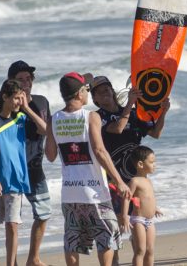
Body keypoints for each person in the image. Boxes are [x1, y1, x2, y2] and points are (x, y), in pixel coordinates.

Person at [45, 72, 131, 266]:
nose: (87, 92)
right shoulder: (91, 116)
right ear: (78, 94)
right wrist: (119, 181)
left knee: (72, 241)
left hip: (69, 192)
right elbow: (100, 151)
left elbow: (50, 155)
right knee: (106, 238)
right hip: (94, 192)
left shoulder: (54, 119)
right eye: (86, 89)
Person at [91, 75, 169, 266]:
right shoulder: (97, 117)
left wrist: (163, 112)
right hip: (114, 179)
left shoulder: (134, 113)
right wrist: (129, 106)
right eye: (99, 91)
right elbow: (117, 129)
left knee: (138, 224)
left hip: (137, 179)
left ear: (113, 91)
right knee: (117, 223)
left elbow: (156, 133)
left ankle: (138, 260)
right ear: (95, 99)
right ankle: (115, 260)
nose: (105, 91)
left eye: (107, 88)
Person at [0, 79, 47, 266]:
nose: (18, 102)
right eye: (16, 98)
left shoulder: (21, 118)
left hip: (16, 180)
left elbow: (45, 129)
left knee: (12, 226)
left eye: (21, 98)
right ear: (4, 97)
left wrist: (27, 108)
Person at [7, 60, 51, 266]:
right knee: (12, 221)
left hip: (35, 168)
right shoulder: (7, 106)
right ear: (11, 82)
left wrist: (27, 108)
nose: (26, 83)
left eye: (28, 78)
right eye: (20, 79)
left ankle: (33, 259)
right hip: (12, 171)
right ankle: (12, 262)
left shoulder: (41, 102)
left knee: (44, 213)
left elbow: (46, 130)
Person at [121, 146, 161, 266]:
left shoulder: (149, 181)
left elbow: (149, 198)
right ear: (140, 164)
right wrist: (124, 216)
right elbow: (127, 199)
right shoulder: (134, 181)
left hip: (150, 220)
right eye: (151, 162)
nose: (155, 165)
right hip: (138, 220)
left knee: (150, 250)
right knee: (140, 250)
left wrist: (155, 208)